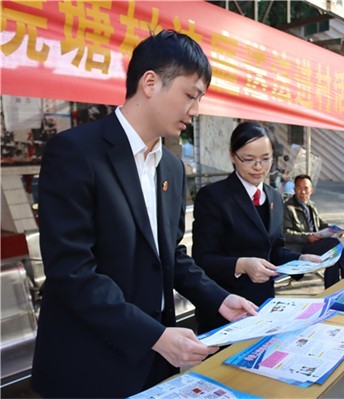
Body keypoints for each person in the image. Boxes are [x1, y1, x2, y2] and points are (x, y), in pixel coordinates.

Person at [31, 30, 258, 399]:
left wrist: (218, 298)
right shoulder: (75, 153)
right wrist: (153, 335)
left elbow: (170, 254)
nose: (195, 110)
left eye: (199, 99)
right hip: (89, 366)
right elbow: (72, 272)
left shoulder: (170, 167)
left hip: (154, 364)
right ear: (150, 82)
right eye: (190, 95)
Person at [192, 122, 321, 334]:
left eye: (265, 159)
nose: (258, 167)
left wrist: (299, 261)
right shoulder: (214, 197)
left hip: (263, 308)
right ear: (233, 156)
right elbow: (203, 259)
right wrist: (241, 265)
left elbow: (275, 248)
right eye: (249, 159)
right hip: (225, 311)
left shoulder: (274, 197)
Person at [283, 174, 344, 289]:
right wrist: (306, 237)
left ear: (311, 190)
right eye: (299, 188)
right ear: (294, 189)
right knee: (333, 244)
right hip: (300, 248)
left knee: (333, 255)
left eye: (306, 188)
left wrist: (336, 230)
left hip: (313, 244)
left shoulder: (310, 205)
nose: (303, 192)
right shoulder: (288, 208)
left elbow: (320, 224)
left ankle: (331, 289)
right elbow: (285, 234)